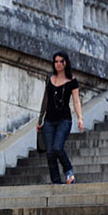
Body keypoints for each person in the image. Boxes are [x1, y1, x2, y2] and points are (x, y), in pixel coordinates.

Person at [37, 50, 83, 184]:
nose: (58, 64)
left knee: (57, 147)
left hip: (64, 120)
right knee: (50, 153)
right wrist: (40, 118)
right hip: (48, 120)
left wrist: (80, 118)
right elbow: (45, 99)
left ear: (65, 63)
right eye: (55, 61)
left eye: (60, 61)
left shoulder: (72, 81)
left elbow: (76, 101)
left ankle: (69, 173)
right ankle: (56, 182)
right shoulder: (50, 78)